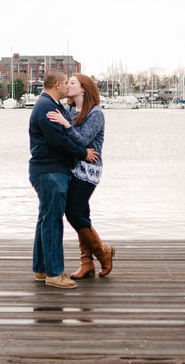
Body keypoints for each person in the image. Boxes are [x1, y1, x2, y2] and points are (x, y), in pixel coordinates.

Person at [29, 70, 98, 289]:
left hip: (49, 170)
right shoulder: (47, 107)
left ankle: (41, 269)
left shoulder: (53, 106)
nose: (68, 87)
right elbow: (58, 141)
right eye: (66, 83)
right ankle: (54, 273)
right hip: (50, 171)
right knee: (52, 221)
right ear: (57, 85)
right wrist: (83, 153)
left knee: (45, 219)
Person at [46, 74, 113, 279]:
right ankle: (87, 264)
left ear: (84, 88)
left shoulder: (95, 113)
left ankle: (103, 252)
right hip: (71, 168)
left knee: (73, 213)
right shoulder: (66, 110)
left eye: (72, 83)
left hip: (88, 170)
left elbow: (83, 139)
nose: (67, 86)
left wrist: (66, 125)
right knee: (82, 214)